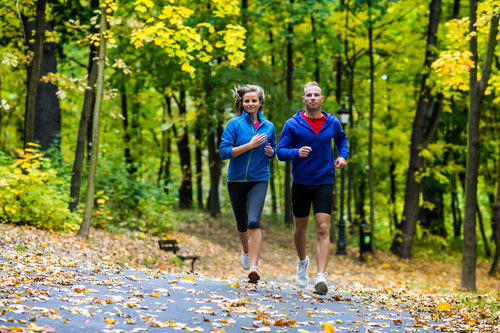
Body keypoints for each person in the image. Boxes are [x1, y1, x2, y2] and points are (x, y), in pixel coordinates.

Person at [277, 81, 348, 295]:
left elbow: (342, 139)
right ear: (304, 99)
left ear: (322, 98)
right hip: (300, 182)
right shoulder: (292, 124)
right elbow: (281, 152)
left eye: (316, 94)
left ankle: (321, 277)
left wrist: (342, 156)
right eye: (309, 95)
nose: (313, 98)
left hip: (324, 180)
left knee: (323, 228)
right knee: (300, 228)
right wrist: (296, 153)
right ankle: (302, 262)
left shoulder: (332, 122)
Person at [219, 84, 276, 283]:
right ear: (242, 103)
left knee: (254, 221)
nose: (250, 104)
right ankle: (245, 249)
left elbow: (273, 149)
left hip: (259, 178)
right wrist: (249, 145)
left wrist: (271, 152)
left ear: (260, 103)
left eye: (254, 100)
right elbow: (224, 152)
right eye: (247, 101)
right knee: (242, 223)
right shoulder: (233, 125)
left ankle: (253, 267)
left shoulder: (269, 126)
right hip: (236, 179)